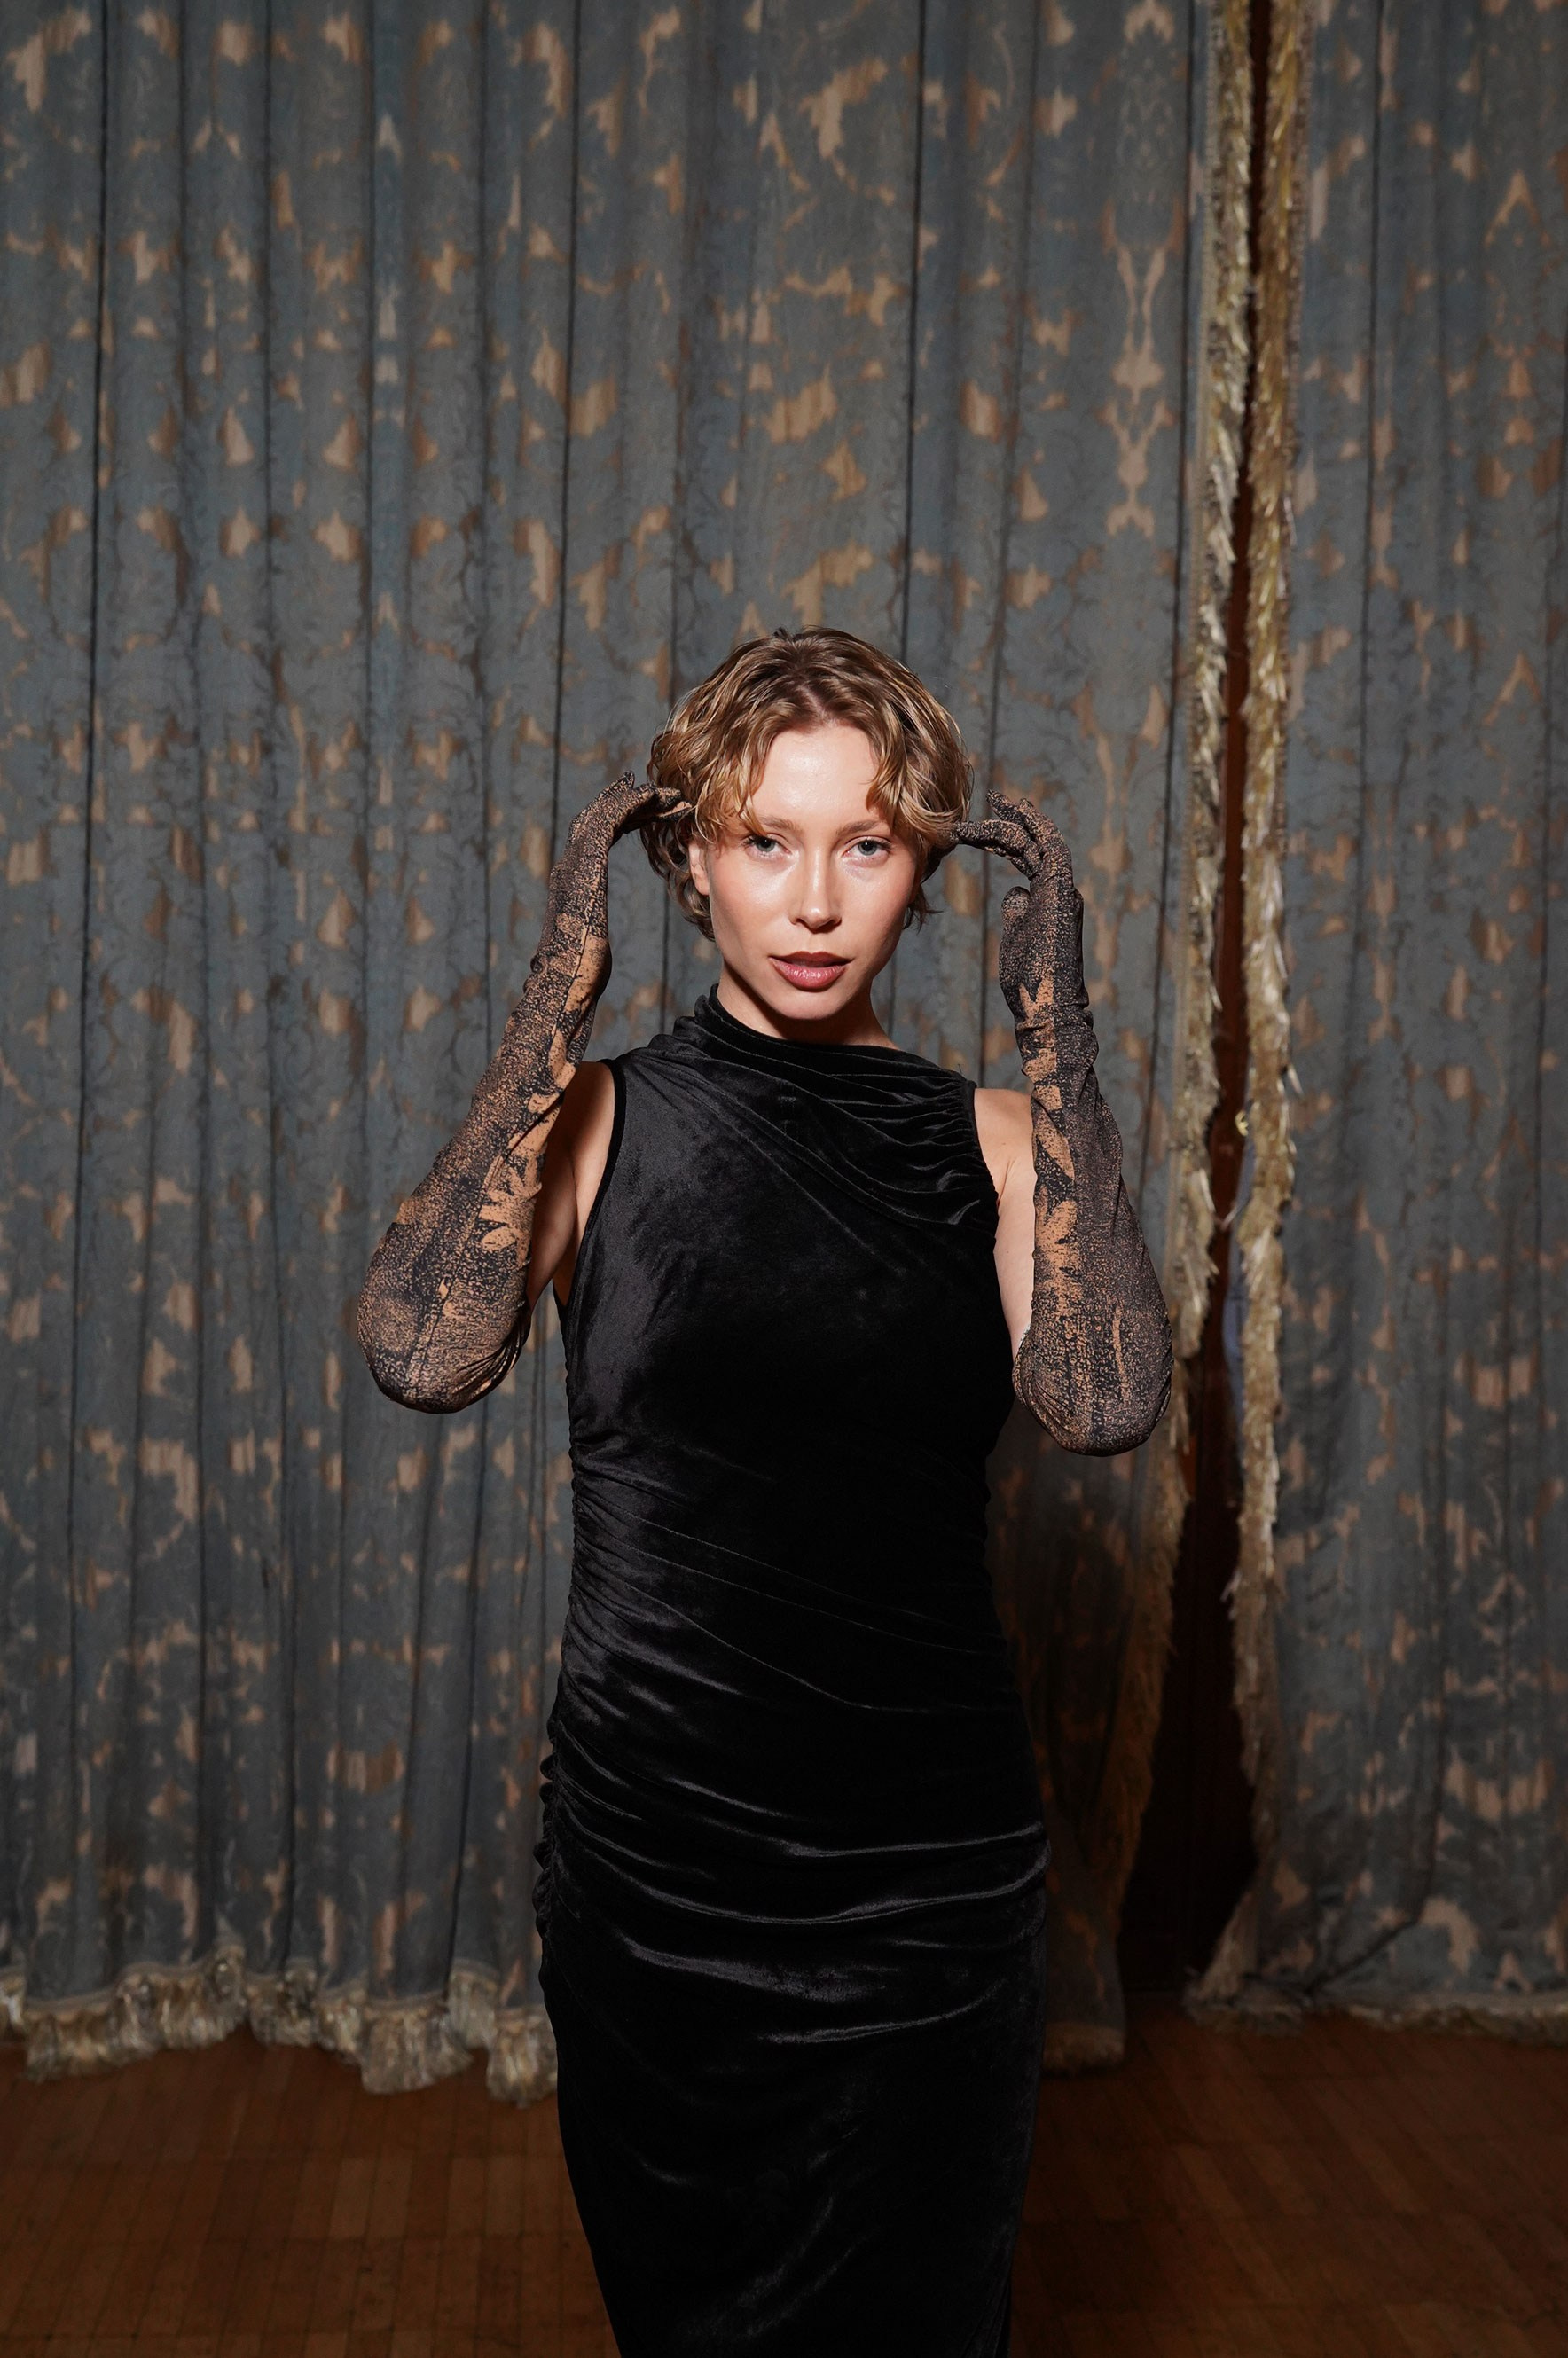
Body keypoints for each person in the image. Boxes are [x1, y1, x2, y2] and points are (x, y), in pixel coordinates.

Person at [356, 627, 1172, 2357]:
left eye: (866, 843)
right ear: (689, 859)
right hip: (661, 1876)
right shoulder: (594, 1124)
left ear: (923, 866)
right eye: (763, 840)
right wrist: (555, 990)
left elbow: (1101, 1402)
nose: (812, 901)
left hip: (925, 1889)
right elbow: (422, 1349)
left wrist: (1058, 1034)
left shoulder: (996, 1143)